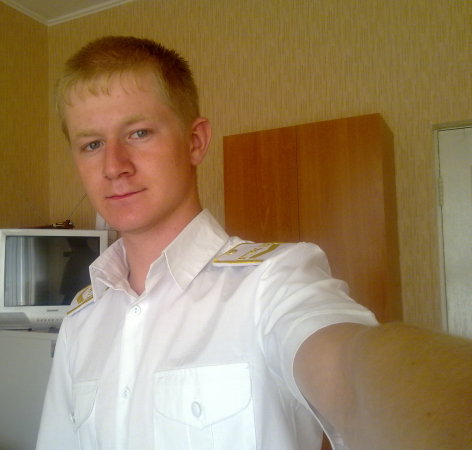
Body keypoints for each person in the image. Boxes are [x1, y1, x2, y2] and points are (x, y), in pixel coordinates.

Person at [36, 36, 472, 449]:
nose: (114, 166)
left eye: (139, 133)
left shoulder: (274, 282)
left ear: (195, 141)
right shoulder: (80, 322)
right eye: (92, 144)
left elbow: (351, 369)